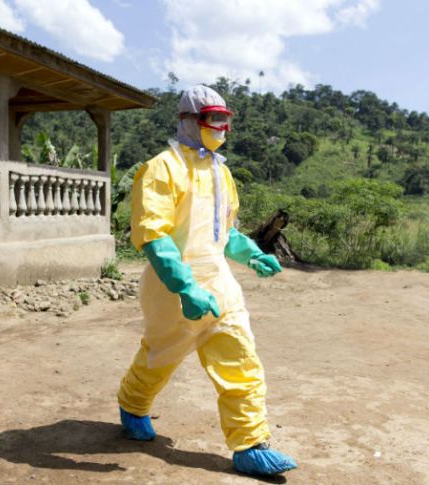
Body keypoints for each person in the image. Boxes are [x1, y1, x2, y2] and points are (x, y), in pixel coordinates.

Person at [116, 84, 297, 476]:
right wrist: (185, 288)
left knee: (241, 359)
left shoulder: (222, 172)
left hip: (219, 281)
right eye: (214, 119)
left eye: (226, 121)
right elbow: (154, 235)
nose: (221, 129)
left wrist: (252, 255)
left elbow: (224, 232)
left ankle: (250, 443)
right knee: (159, 359)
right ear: (189, 121)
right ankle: (132, 404)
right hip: (170, 289)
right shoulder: (161, 168)